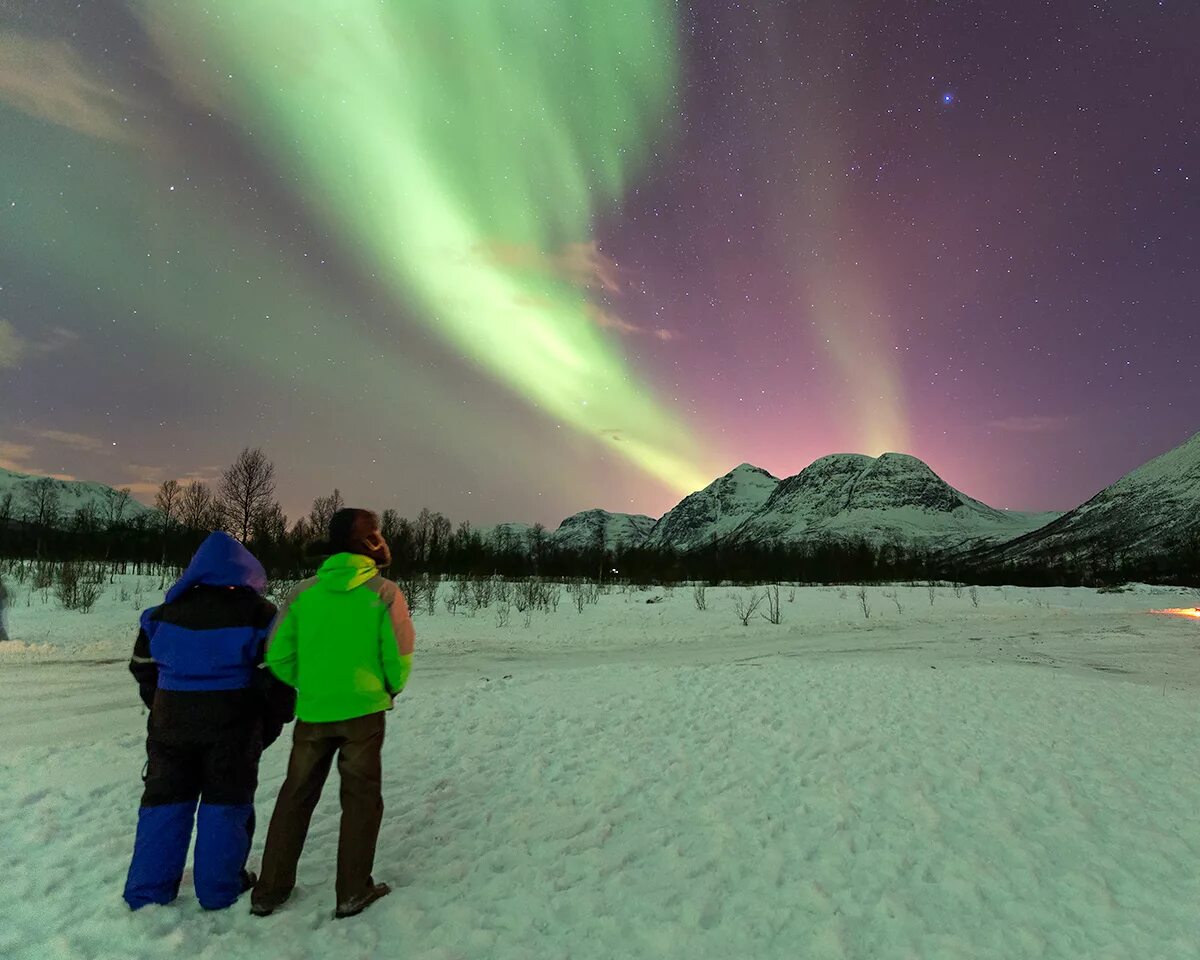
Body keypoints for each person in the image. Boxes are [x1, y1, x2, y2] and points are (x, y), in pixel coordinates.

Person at [251, 508, 414, 919]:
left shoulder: (304, 592)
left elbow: (278, 654)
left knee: (295, 795)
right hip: (364, 713)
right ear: (366, 542)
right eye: (375, 533)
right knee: (360, 799)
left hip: (314, 712)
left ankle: (269, 891)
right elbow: (399, 655)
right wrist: (387, 687)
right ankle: (352, 891)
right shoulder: (384, 592)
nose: (380, 539)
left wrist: (312, 685)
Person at [124, 531, 295, 911]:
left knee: (163, 803)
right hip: (232, 728)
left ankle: (149, 892)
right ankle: (219, 889)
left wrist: (161, 705)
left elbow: (142, 668)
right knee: (226, 803)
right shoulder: (260, 615)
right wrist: (273, 722)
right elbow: (277, 677)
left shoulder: (161, 614)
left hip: (170, 726)